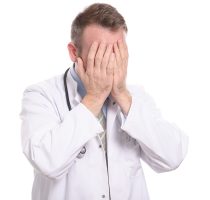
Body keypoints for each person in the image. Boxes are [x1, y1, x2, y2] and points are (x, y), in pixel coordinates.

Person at [20, 3, 188, 200]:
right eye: (99, 53)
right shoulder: (41, 95)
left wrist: (123, 96)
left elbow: (171, 157)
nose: (109, 62)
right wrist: (94, 98)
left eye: (117, 52)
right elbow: (47, 162)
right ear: (74, 52)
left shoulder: (134, 97)